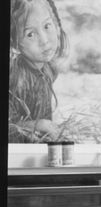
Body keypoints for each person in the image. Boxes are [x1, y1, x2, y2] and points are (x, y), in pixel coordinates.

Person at [9, 0, 68, 142]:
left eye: (47, 26)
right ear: (15, 44)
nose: (44, 40)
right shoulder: (16, 77)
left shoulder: (48, 70)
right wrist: (40, 125)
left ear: (56, 26)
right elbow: (9, 127)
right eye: (30, 34)